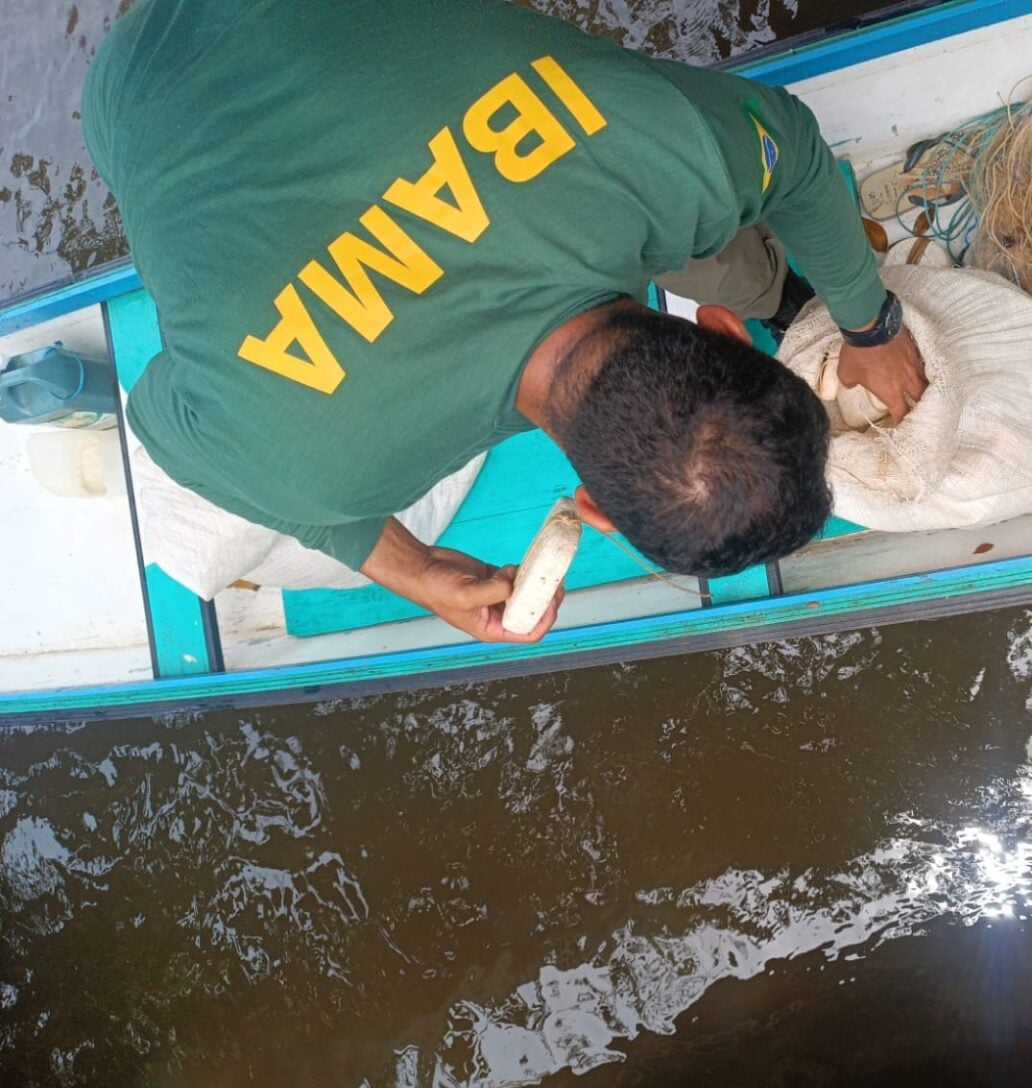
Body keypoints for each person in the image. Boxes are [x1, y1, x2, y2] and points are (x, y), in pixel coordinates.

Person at [82, 0, 928, 644]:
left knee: (694, 197)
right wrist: (406, 568)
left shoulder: (652, 140)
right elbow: (159, 422)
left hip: (228, 52)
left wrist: (871, 326)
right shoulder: (310, 463)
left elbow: (795, 151)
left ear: (720, 329)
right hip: (131, 80)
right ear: (588, 504)